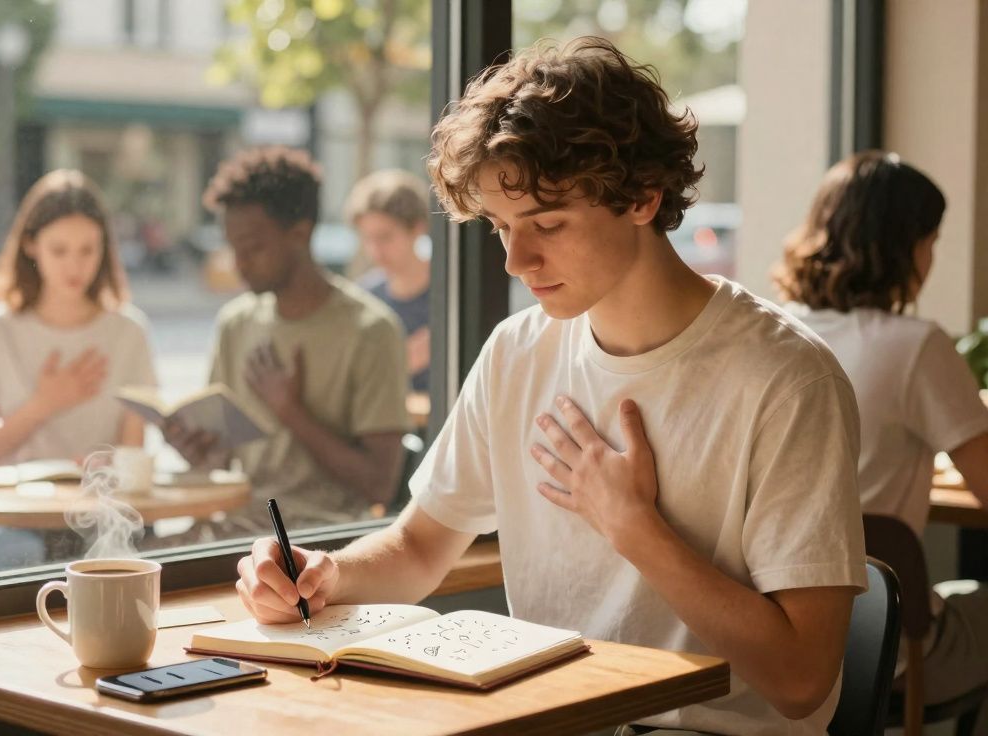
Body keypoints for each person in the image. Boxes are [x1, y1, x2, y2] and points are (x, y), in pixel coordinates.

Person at [234, 38, 867, 735]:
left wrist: (635, 528)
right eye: (502, 226)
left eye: (547, 224)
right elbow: (419, 548)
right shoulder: (518, 352)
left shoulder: (786, 378)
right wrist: (323, 574)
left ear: (642, 198)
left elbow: (803, 679)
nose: (515, 259)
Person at [776, 150, 988, 734]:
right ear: (907, 247)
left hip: (772, 648)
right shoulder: (916, 345)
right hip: (882, 648)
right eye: (931, 241)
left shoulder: (771, 331)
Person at [165, 147, 411, 538]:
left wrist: (289, 410)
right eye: (233, 248)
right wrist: (199, 452)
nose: (239, 263)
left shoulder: (370, 330)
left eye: (253, 248)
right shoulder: (236, 323)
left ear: (300, 233)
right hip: (236, 527)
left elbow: (378, 484)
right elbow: (222, 459)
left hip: (321, 538)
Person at [0, 170, 155, 568]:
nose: (75, 266)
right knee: (17, 557)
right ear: (31, 245)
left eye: (88, 250)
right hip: (13, 520)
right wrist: (44, 404)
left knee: (131, 556)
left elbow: (134, 451)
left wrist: (107, 468)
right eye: (59, 250)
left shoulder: (128, 332)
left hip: (102, 514)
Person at [346, 170, 433, 392]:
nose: (375, 251)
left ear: (417, 229)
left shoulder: (450, 294)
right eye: (367, 238)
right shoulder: (363, 298)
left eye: (385, 237)